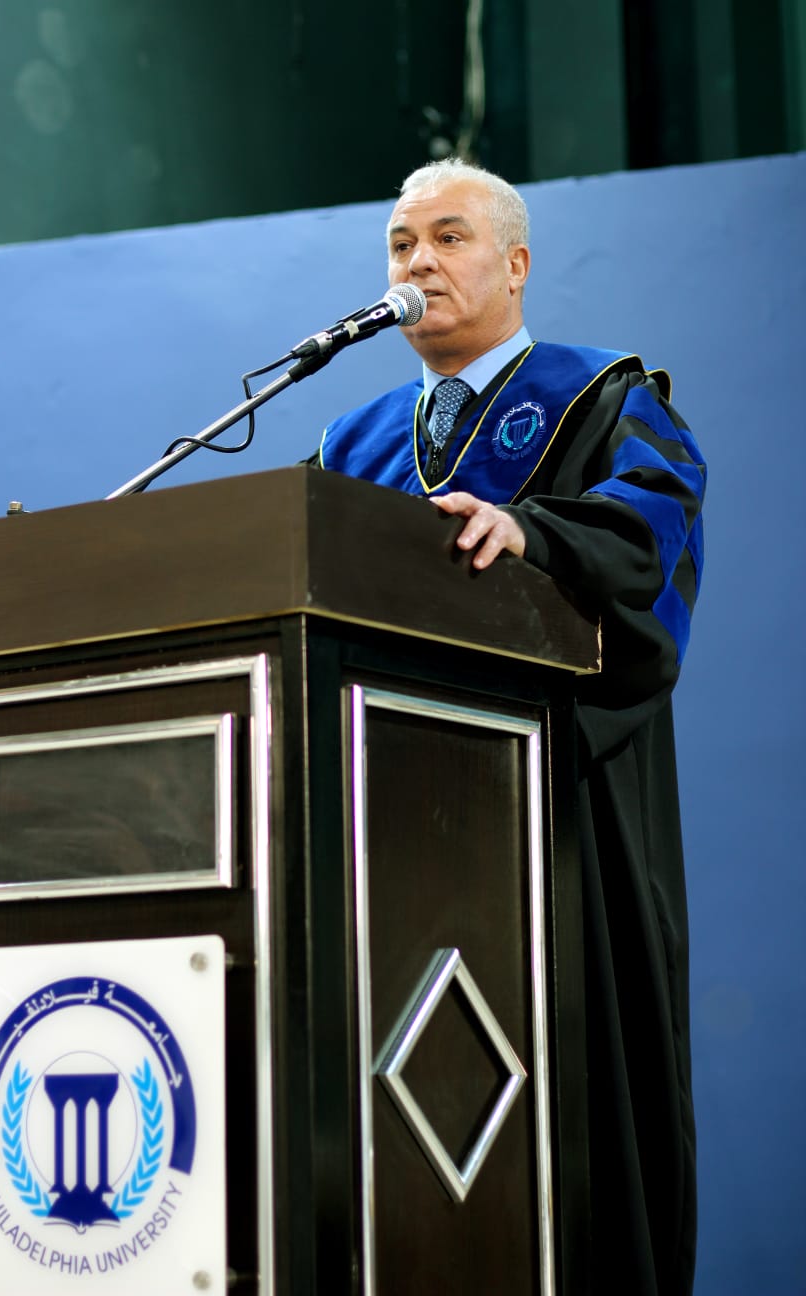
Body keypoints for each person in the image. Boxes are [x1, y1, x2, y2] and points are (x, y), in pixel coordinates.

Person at [317, 158, 704, 1295]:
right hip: (391, 835)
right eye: (401, 244)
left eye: (449, 237)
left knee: (576, 1109)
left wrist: (535, 535)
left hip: (562, 815)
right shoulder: (348, 447)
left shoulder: (604, 400)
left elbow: (651, 540)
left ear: (517, 263)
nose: (419, 262)